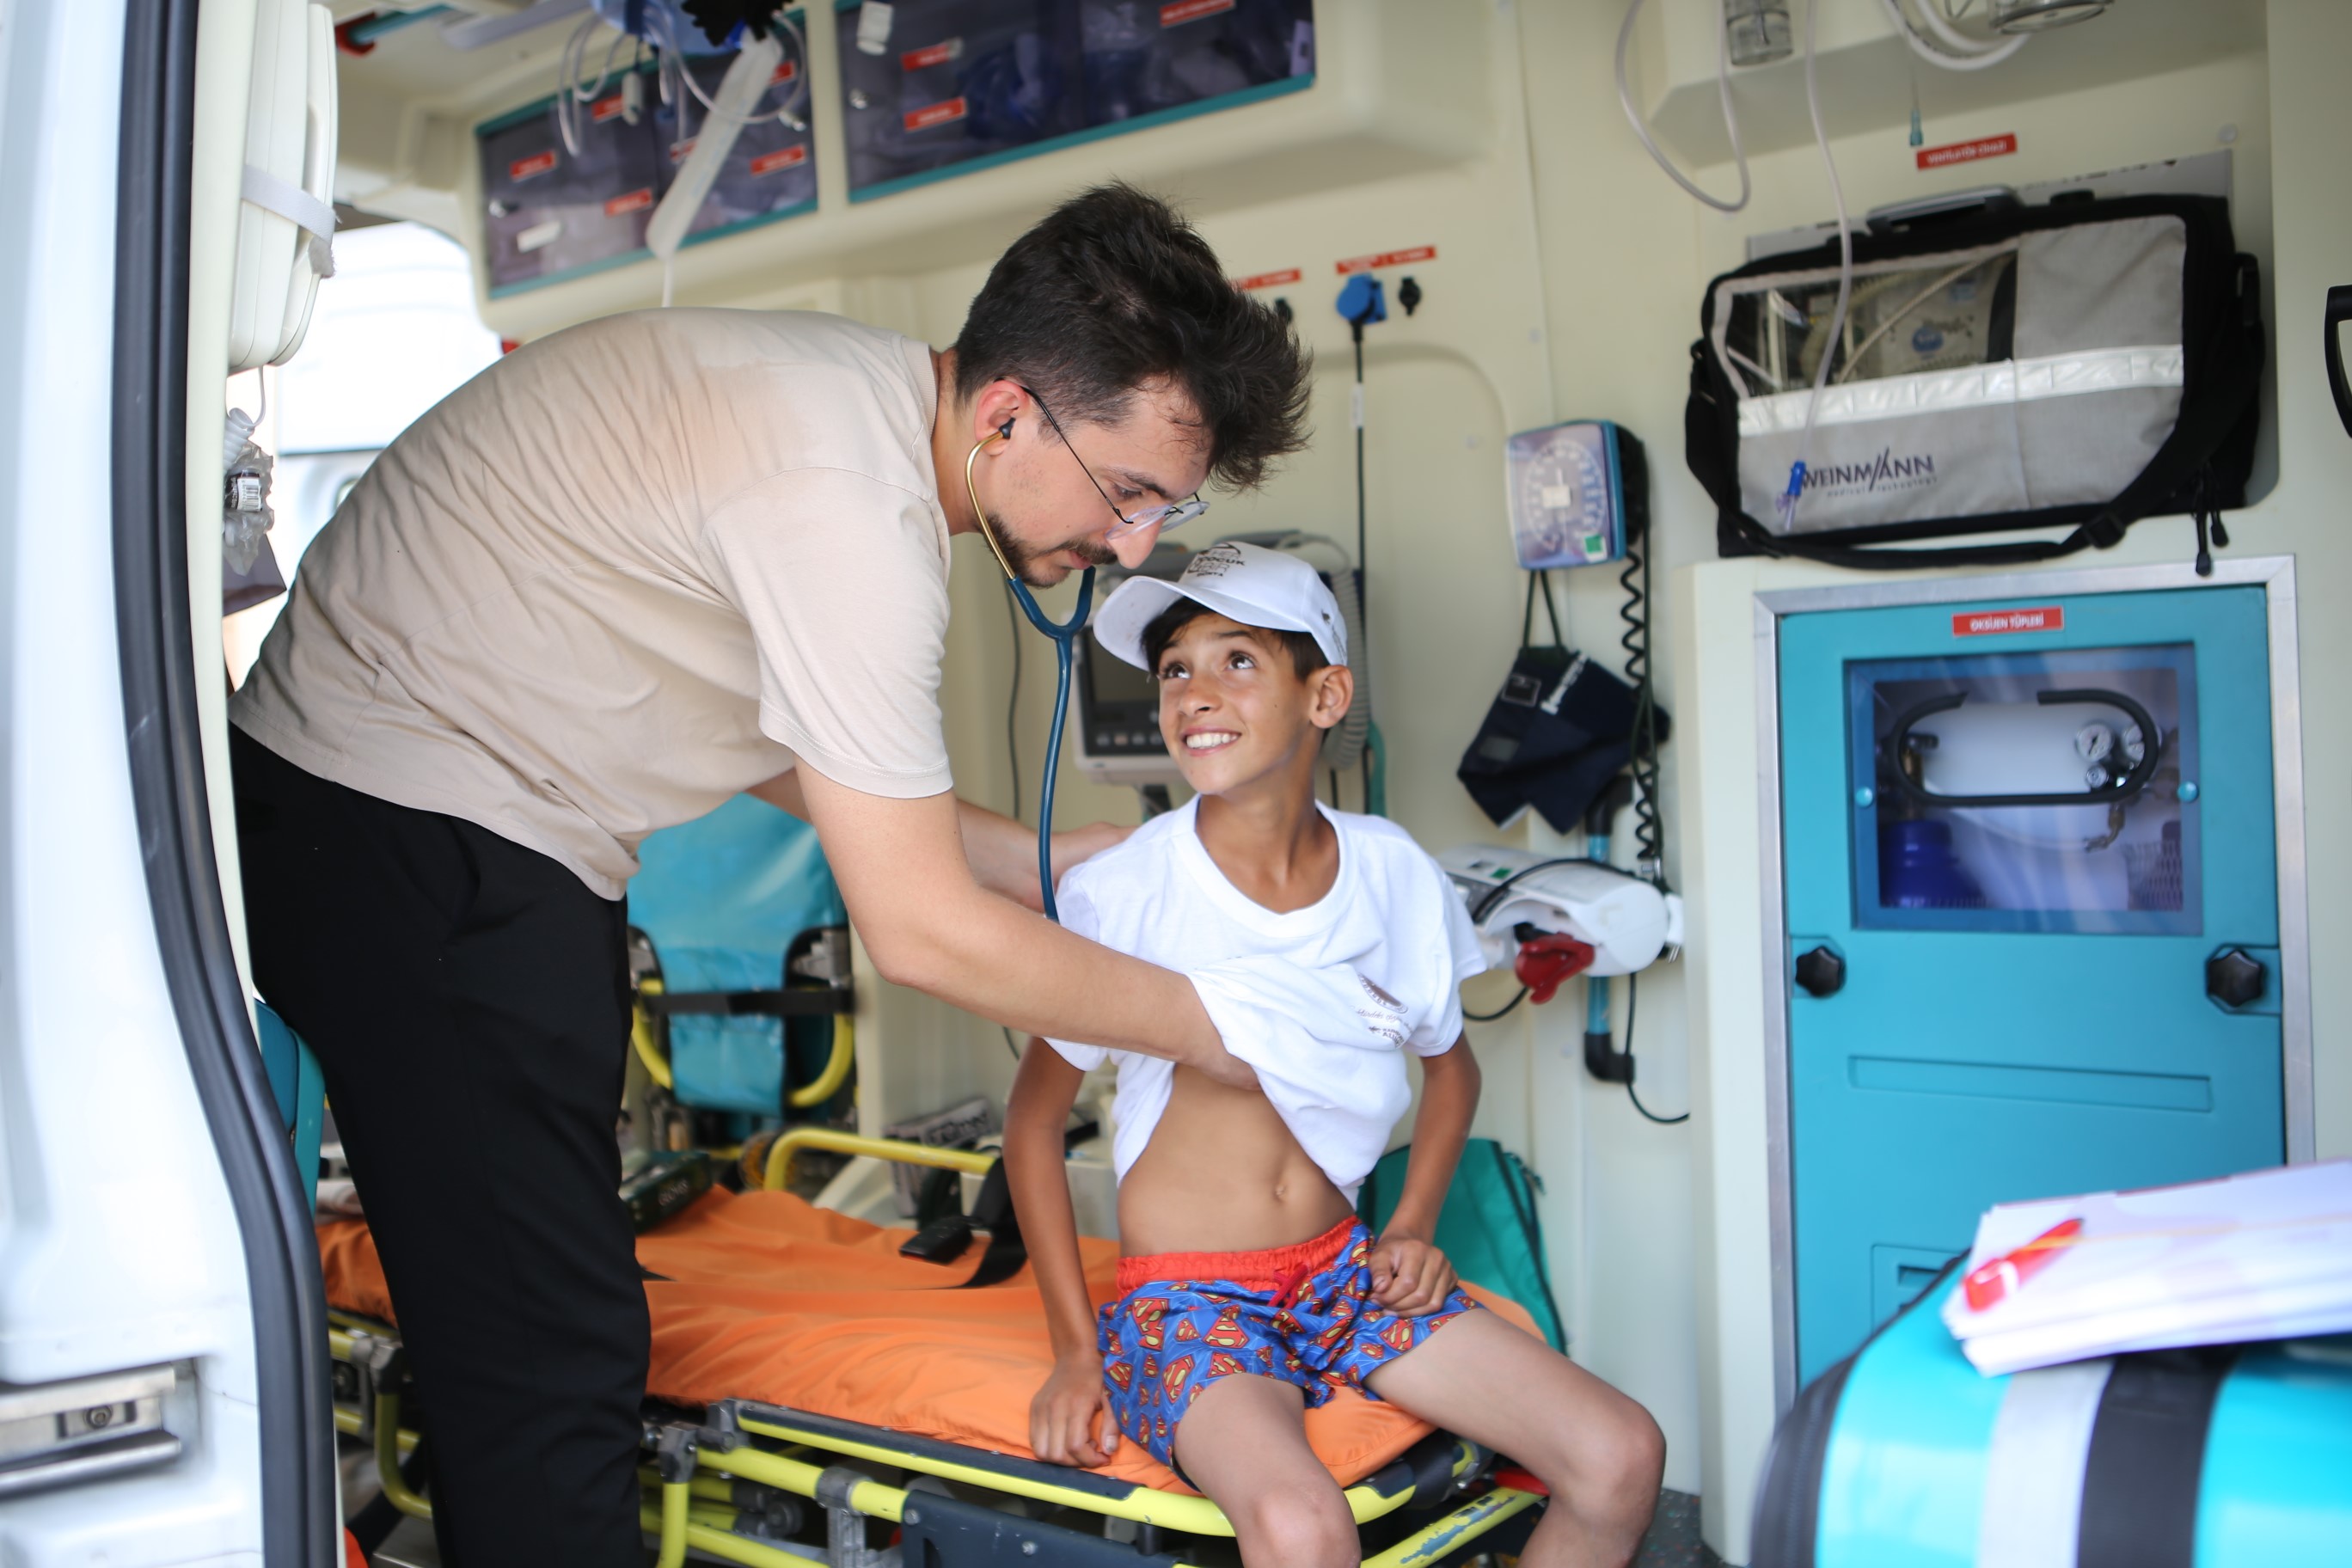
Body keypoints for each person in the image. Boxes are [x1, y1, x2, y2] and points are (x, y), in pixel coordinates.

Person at [229, 185, 1310, 1565]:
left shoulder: (849, 402)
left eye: (1168, 505)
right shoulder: (845, 510)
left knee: (532, 1319)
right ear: (1007, 415)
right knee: (549, 1355)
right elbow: (919, 932)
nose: (1137, 544)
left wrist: (1056, 865)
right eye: (1130, 493)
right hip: (413, 828)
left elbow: (808, 756)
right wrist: (1222, 1027)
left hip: (387, 812)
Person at [1002, 543, 1666, 1568]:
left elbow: (1451, 1065)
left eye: (1237, 661)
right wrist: (1075, 1353)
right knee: (1305, 1528)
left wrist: (1412, 1226)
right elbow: (1034, 1124)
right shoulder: (1128, 890)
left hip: (1344, 1275)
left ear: (1326, 696)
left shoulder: (1392, 873)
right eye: (1175, 669)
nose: (1194, 694)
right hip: (1187, 1297)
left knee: (1621, 1454)